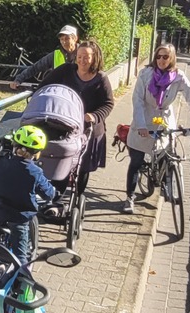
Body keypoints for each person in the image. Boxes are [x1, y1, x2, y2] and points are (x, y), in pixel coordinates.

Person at [123, 43, 190, 214]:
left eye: (165, 57)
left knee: (167, 156)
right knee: (136, 161)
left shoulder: (178, 77)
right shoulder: (145, 74)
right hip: (143, 120)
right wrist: (142, 125)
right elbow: (137, 101)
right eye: (158, 56)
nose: (161, 60)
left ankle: (167, 185)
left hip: (164, 121)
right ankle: (130, 197)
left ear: (172, 58)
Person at [36, 39, 114, 197]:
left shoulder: (101, 78)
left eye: (86, 57)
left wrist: (94, 115)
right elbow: (45, 86)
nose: (82, 60)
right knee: (62, 160)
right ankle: (56, 196)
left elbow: (108, 103)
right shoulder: (66, 70)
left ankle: (77, 196)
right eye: (79, 56)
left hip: (89, 129)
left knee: (83, 166)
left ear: (95, 58)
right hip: (66, 124)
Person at [0, 125, 56, 265]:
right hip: (20, 217)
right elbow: (48, 194)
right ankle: (23, 279)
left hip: (1, 213)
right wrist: (53, 191)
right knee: (21, 256)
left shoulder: (2, 163)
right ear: (37, 153)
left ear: (14, 146)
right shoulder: (35, 172)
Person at [10, 25, 79, 89]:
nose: (64, 42)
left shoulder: (85, 52)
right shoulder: (55, 55)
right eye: (61, 39)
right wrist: (18, 80)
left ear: (75, 38)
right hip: (60, 92)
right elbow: (35, 67)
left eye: (67, 38)